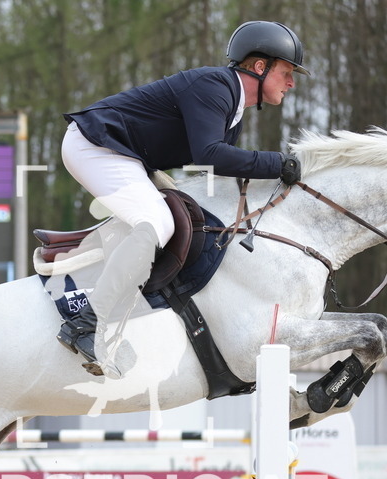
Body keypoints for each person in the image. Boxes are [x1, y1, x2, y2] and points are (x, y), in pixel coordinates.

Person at [57, 20, 311, 378]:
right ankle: (87, 323)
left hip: (125, 154)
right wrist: (278, 163)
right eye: (286, 72)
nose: (291, 82)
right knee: (156, 224)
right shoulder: (215, 86)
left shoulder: (232, 105)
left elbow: (222, 165)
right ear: (259, 66)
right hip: (96, 146)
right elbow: (212, 156)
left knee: (186, 219)